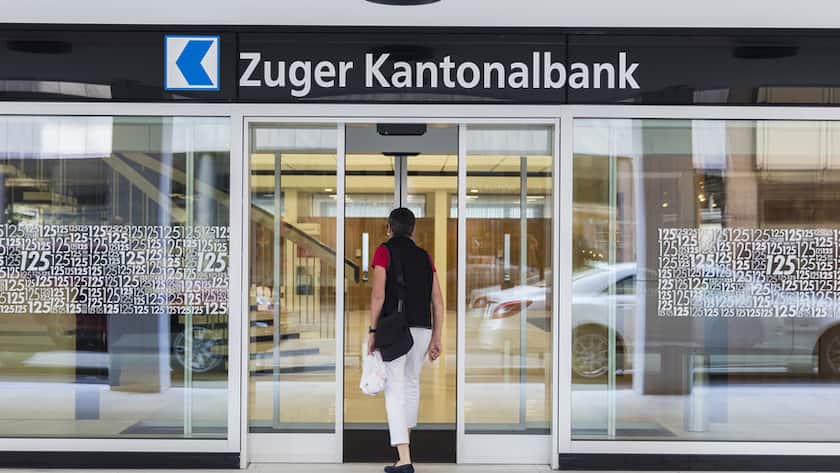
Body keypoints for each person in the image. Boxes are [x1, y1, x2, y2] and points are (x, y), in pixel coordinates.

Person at [368, 207, 444, 473]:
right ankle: (405, 448)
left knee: (395, 390)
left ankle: (404, 459)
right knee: (411, 384)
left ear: (389, 227)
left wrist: (372, 331)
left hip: (395, 330)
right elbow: (438, 301)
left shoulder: (383, 251)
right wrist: (437, 336)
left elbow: (378, 295)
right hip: (422, 330)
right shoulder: (425, 256)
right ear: (412, 229)